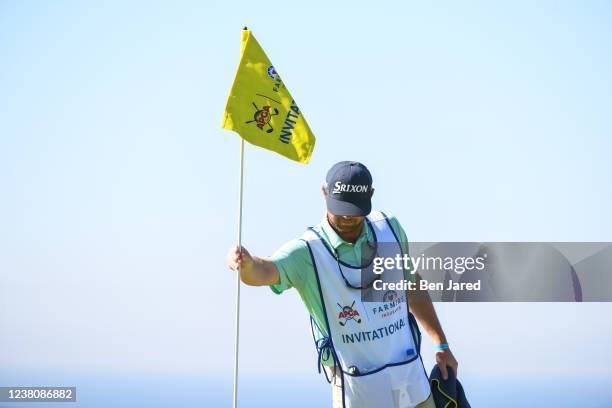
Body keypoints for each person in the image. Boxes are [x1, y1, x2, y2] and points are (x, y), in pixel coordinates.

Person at [227, 161, 458, 408]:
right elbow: (264, 271)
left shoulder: (390, 227)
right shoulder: (306, 251)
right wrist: (247, 264)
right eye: (341, 207)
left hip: (411, 381)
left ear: (371, 196)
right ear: (324, 193)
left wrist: (441, 343)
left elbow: (412, 287)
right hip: (356, 391)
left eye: (355, 208)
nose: (348, 216)